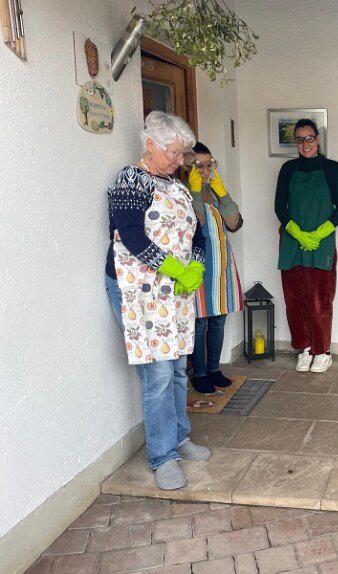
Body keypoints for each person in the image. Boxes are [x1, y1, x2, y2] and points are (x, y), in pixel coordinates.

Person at [105, 111, 212, 491]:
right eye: (174, 153)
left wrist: (195, 267)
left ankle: (180, 437)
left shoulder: (177, 186)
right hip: (138, 290)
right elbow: (132, 237)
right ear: (150, 144)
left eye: (183, 154)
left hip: (175, 291)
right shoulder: (130, 180)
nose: (180, 161)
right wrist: (176, 269)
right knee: (159, 374)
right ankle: (162, 456)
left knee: (179, 368)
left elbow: (197, 234)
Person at [274, 119, 338, 373]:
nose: (305, 144)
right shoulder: (287, 169)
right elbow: (279, 207)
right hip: (292, 243)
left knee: (319, 301)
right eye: (299, 139)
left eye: (309, 138)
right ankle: (304, 348)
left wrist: (318, 234)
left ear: (317, 139)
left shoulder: (332, 168)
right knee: (294, 300)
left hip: (321, 243)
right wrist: (296, 232)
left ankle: (322, 351)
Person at [186, 142, 244, 394]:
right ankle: (199, 373)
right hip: (198, 266)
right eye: (198, 166)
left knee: (218, 319)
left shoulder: (214, 191)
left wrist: (222, 191)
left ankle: (214, 369)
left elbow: (234, 223)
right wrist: (195, 191)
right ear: (187, 166)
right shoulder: (182, 193)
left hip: (221, 264)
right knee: (199, 321)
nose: (205, 171)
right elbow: (194, 224)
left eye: (209, 165)